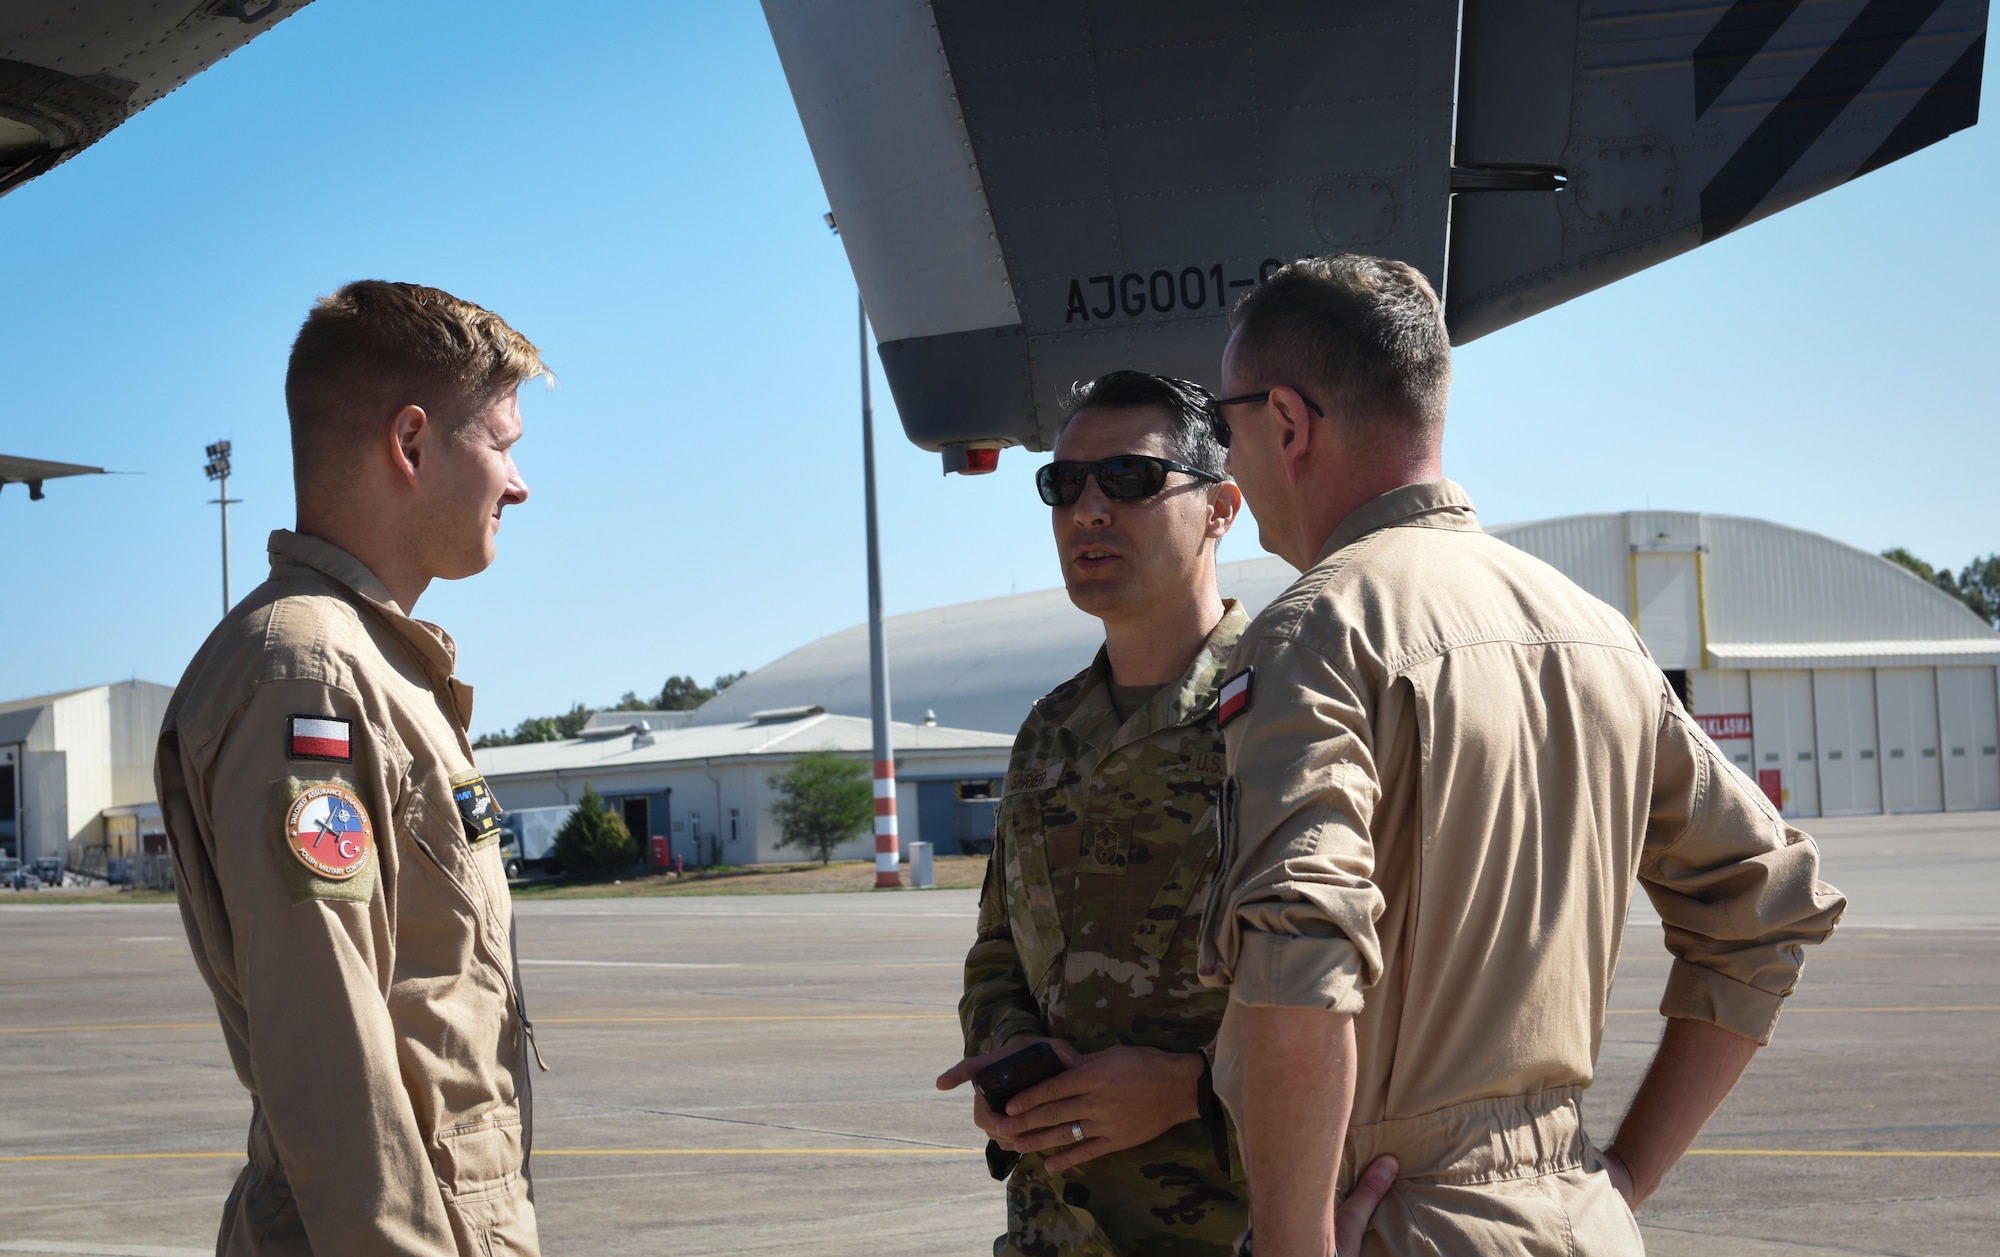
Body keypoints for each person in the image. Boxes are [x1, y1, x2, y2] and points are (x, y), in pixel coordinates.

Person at [1196, 255, 1848, 1257]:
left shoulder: (1314, 630)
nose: (1226, 458)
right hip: (1574, 1222)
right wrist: (1618, 1180)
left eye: (1225, 422)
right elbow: (1766, 909)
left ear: (1286, 422)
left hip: (1393, 1219)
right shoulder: (1596, 632)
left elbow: (1300, 947)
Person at [156, 281, 549, 1255]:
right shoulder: (309, 678)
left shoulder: (376, 669)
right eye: (501, 443)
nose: (517, 483)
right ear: (410, 444)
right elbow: (325, 1042)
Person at [939, 371, 1346, 1257]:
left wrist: (1191, 1091)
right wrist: (1008, 1057)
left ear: (1220, 508)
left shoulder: (1293, 709)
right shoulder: (1049, 732)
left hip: (1239, 1228)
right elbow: (1000, 947)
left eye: (1128, 478)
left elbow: (1374, 987)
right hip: (1055, 1231)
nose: (1088, 509)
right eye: (1063, 484)